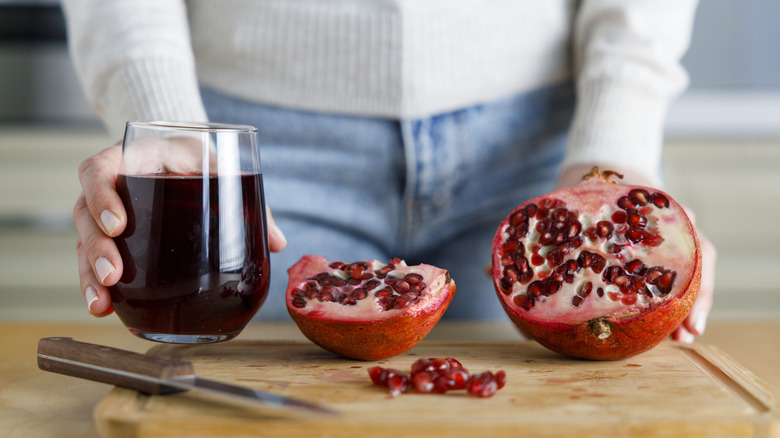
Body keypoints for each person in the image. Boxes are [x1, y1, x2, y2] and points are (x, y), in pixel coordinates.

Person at [62, 0, 715, 342]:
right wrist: (167, 128)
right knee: (219, 412)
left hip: (539, 146)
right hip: (242, 150)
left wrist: (613, 151)